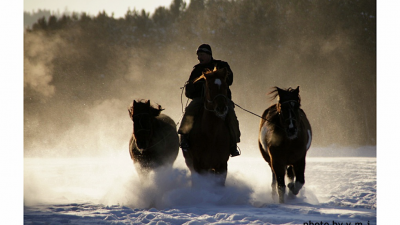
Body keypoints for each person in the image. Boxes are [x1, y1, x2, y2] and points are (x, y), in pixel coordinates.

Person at [178, 44, 241, 157]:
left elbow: (230, 80)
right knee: (190, 110)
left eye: (201, 54)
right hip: (201, 99)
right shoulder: (196, 70)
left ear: (209, 55)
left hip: (220, 98)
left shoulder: (222, 65)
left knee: (230, 112)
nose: (199, 57)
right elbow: (189, 90)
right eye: (198, 55)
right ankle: (184, 137)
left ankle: (233, 142)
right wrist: (192, 87)